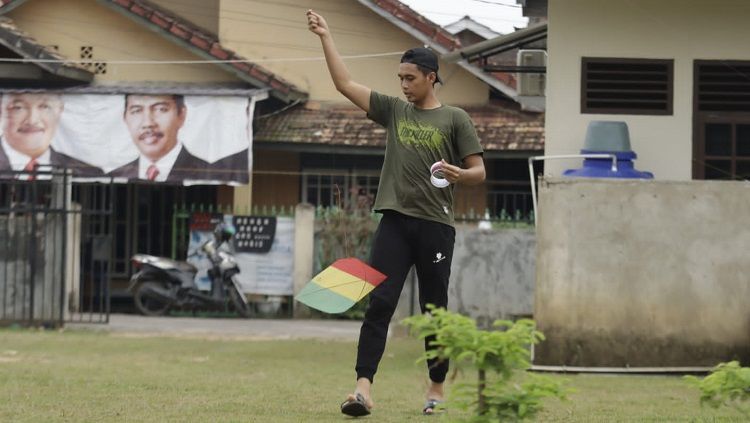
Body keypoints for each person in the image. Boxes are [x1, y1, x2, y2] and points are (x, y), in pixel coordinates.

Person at [306, 9, 486, 417]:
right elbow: (344, 83)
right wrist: (326, 35)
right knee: (379, 302)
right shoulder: (394, 111)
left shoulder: (455, 118)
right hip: (394, 221)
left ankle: (436, 387)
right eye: (399, 79)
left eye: (410, 78)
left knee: (433, 309)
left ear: (431, 77)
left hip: (436, 227)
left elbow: (479, 171)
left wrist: (461, 173)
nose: (403, 86)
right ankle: (363, 389)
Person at [110, 94, 248, 183]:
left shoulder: (210, 173)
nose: (148, 123)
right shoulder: (116, 176)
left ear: (181, 115)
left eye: (161, 109)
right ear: (125, 118)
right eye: (136, 111)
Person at [0, 93, 102, 177]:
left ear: (60, 110)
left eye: (45, 107)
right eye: (18, 108)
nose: (32, 120)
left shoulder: (87, 173)